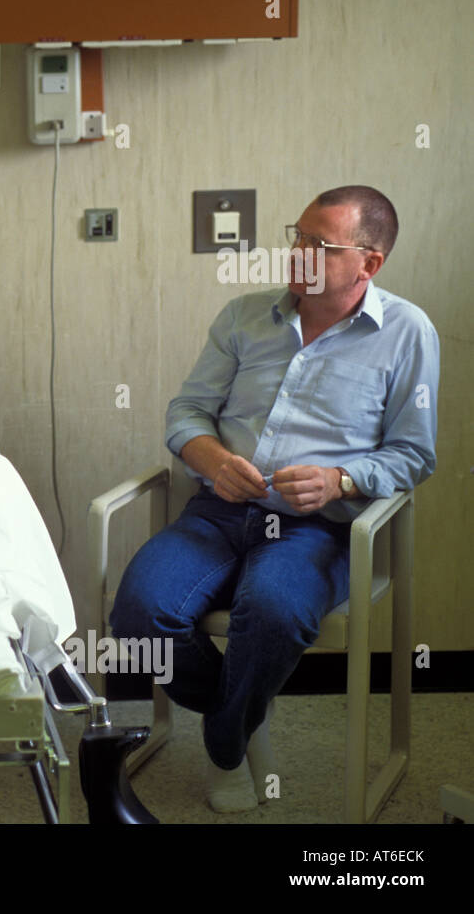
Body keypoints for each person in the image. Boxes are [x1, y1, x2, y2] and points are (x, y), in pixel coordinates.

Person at [109, 185, 438, 813]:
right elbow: (188, 412)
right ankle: (240, 714)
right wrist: (210, 459)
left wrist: (340, 482)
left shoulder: (407, 332)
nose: (298, 253)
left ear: (369, 263)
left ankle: (224, 739)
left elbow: (414, 454)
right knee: (136, 622)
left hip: (318, 527)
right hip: (219, 512)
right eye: (298, 236)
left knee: (275, 611)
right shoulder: (243, 316)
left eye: (321, 244)